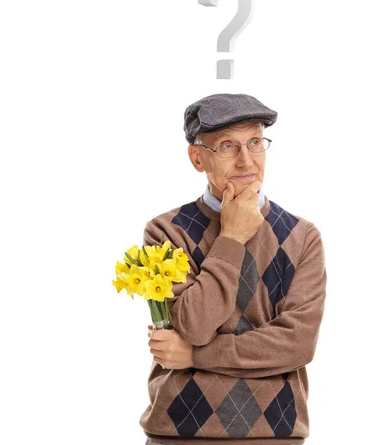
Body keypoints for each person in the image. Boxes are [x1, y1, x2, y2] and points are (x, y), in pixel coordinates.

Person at [139, 93, 327, 445]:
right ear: (197, 158)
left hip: (275, 435)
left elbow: (297, 344)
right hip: (179, 434)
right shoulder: (165, 232)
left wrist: (195, 355)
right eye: (228, 145)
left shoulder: (302, 237)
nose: (246, 160)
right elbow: (194, 324)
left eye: (255, 142)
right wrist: (232, 236)